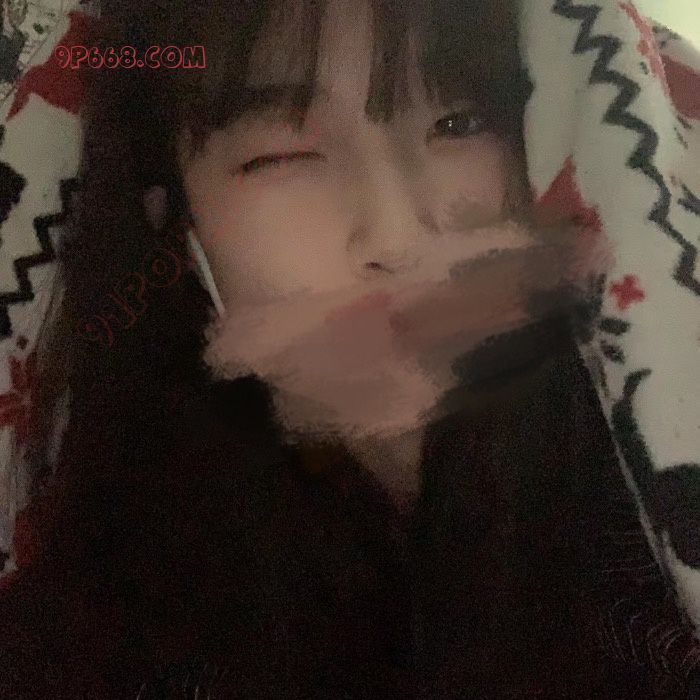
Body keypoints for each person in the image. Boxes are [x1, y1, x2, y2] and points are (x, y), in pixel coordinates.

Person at [0, 0, 698, 697]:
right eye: (283, 155)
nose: (397, 240)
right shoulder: (91, 625)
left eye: (459, 124)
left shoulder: (655, 520)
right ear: (175, 221)